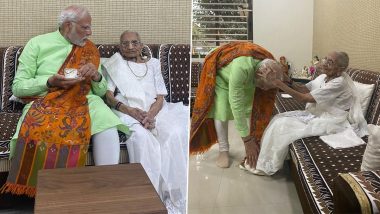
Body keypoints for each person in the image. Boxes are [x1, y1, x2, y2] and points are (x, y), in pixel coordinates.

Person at [0, 5, 129, 197]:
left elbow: (101, 92)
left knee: (107, 125)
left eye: (90, 27)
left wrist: (96, 77)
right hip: (46, 99)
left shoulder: (90, 49)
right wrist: (49, 82)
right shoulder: (37, 44)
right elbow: (18, 87)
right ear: (68, 25)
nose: (90, 32)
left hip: (85, 99)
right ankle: (53, 196)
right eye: (85, 27)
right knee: (38, 128)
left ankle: (105, 190)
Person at [102, 31, 188, 214]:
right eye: (125, 44)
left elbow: (160, 96)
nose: (130, 47)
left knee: (174, 134)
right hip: (126, 111)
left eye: (134, 43)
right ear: (120, 47)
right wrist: (131, 111)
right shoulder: (115, 63)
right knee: (142, 138)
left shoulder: (154, 64)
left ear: (142, 45)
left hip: (155, 111)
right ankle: (147, 198)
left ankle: (172, 196)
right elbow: (108, 96)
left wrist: (150, 115)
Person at [251, 51, 368, 176]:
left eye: (331, 62)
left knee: (283, 124)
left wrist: (278, 83)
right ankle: (265, 160)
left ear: (341, 69)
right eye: (325, 59)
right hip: (319, 113)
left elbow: (304, 98)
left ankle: (268, 165)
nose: (325, 63)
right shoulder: (324, 77)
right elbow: (304, 89)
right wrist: (286, 79)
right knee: (278, 118)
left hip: (332, 120)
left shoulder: (339, 83)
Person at [190, 42, 284, 170]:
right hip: (221, 77)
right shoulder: (241, 69)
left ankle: (257, 143)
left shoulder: (269, 63)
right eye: (263, 86)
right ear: (258, 75)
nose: (264, 89)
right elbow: (236, 105)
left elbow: (280, 82)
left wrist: (296, 89)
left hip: (244, 77)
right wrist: (247, 141)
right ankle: (223, 150)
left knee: (254, 107)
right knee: (221, 111)